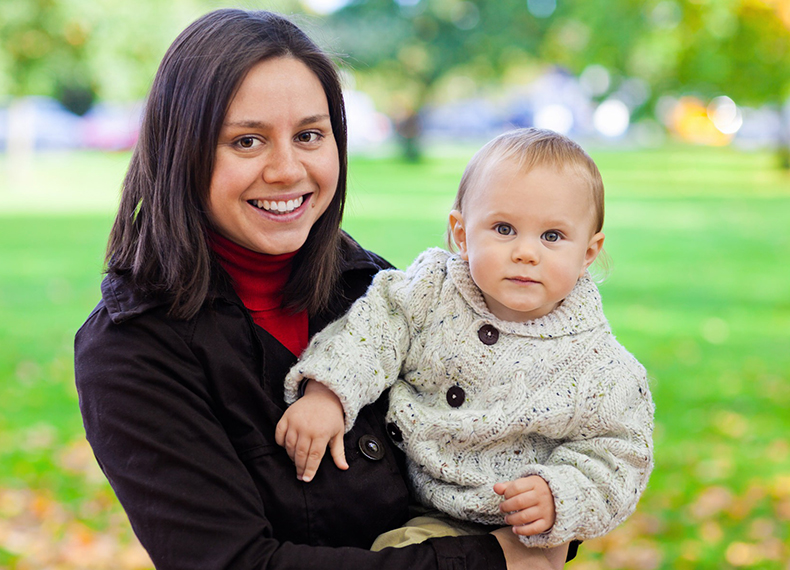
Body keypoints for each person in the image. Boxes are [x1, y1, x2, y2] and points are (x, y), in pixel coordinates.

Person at [74, 9, 567, 570]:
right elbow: (235, 563)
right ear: (180, 150)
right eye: (247, 141)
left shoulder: (379, 290)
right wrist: (489, 560)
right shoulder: (131, 349)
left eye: (310, 135)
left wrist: (558, 501)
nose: (287, 169)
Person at [277, 128, 656, 554]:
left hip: (511, 527)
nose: (526, 253)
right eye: (504, 228)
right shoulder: (430, 292)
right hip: (406, 490)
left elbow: (619, 455)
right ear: (461, 232)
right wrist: (329, 392)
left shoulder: (600, 367)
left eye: (552, 236)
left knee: (399, 555)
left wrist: (560, 495)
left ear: (588, 252)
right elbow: (371, 332)